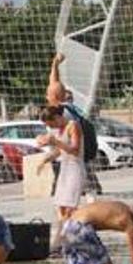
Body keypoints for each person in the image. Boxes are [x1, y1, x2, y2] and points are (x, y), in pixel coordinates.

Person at [46, 53, 102, 195]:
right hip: (72, 157)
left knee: (70, 193)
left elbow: (70, 146)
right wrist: (55, 64)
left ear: (53, 98)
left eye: (48, 94)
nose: (46, 96)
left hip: (69, 158)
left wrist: (51, 143)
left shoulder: (61, 114)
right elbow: (55, 84)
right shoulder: (66, 106)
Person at [37, 105, 85, 251]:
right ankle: (66, 240)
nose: (51, 127)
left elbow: (75, 150)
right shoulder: (59, 130)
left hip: (75, 169)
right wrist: (45, 159)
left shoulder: (73, 126)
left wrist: (55, 142)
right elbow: (59, 151)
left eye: (51, 124)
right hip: (65, 168)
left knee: (70, 207)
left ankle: (66, 241)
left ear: (58, 118)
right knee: (61, 207)